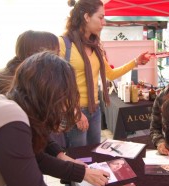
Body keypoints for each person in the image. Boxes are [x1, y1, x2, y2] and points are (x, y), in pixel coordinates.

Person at [0, 51, 126, 186]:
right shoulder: (10, 116)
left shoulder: (11, 107)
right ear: (53, 95)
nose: (66, 107)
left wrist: (80, 173)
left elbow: (36, 158)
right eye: (67, 97)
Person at [60, 0, 150, 148]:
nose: (104, 22)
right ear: (87, 17)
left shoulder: (96, 47)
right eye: (100, 17)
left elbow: (111, 74)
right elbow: (56, 84)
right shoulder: (63, 44)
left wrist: (136, 62)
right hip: (73, 112)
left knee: (94, 154)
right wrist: (75, 112)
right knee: (80, 160)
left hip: (94, 110)